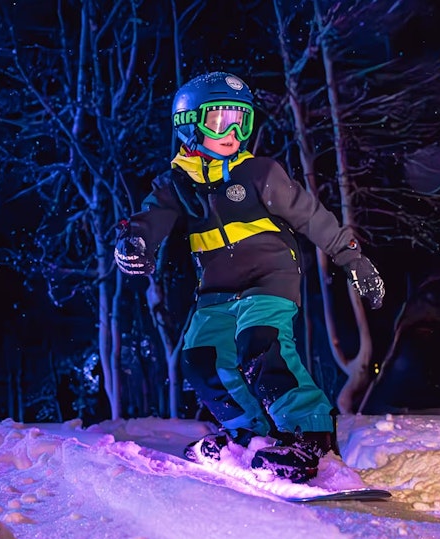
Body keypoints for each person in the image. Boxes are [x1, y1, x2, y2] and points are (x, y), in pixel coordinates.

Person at [113, 71, 385, 482]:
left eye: (242, 121)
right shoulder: (176, 185)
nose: (233, 133)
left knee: (261, 344)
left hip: (270, 278)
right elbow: (150, 218)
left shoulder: (260, 173)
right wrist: (134, 242)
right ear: (189, 125)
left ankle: (310, 435)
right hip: (217, 290)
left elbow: (312, 217)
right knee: (201, 358)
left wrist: (354, 261)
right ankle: (249, 433)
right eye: (220, 121)